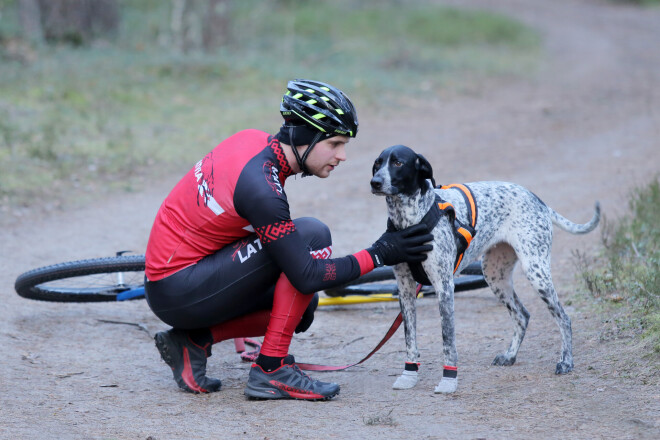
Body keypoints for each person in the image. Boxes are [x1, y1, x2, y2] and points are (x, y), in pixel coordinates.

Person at [144, 79, 433, 400]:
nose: (343, 156)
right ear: (305, 137)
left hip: (180, 278)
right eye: (335, 144)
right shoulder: (262, 188)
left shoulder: (253, 142)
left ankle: (194, 341)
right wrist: (381, 252)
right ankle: (271, 370)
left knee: (302, 306)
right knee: (312, 236)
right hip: (177, 290)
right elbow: (307, 274)